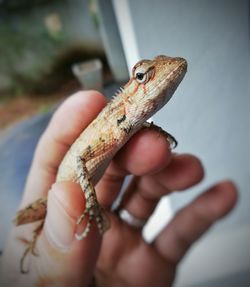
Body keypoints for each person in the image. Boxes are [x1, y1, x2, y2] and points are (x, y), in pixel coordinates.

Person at [0, 91, 238, 286]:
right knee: (31, 216)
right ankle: (33, 236)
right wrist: (91, 205)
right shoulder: (114, 124)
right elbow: (82, 160)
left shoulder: (125, 123)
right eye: (145, 76)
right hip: (62, 188)